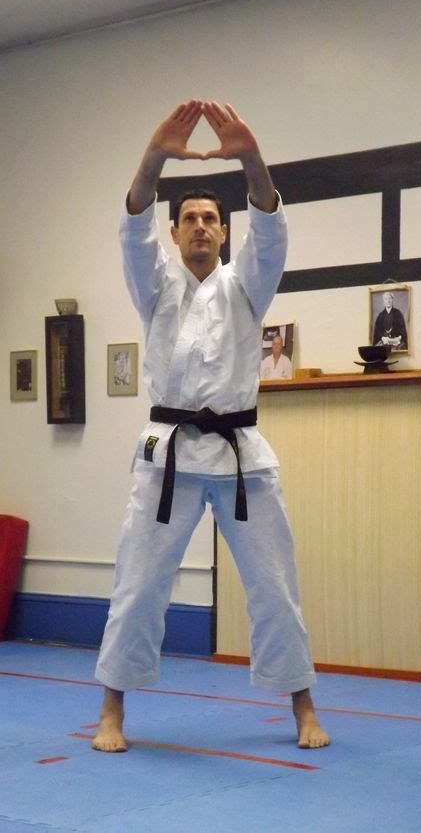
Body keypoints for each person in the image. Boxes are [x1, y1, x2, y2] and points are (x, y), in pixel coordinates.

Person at [93, 99, 329, 753]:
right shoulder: (156, 288)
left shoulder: (246, 286)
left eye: (210, 220)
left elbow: (271, 231)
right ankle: (111, 712)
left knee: (275, 586)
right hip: (166, 451)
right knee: (138, 585)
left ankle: (304, 709)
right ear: (175, 234)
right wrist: (154, 156)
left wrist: (251, 158)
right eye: (190, 219)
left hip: (240, 452)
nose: (200, 226)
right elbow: (132, 229)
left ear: (224, 233)